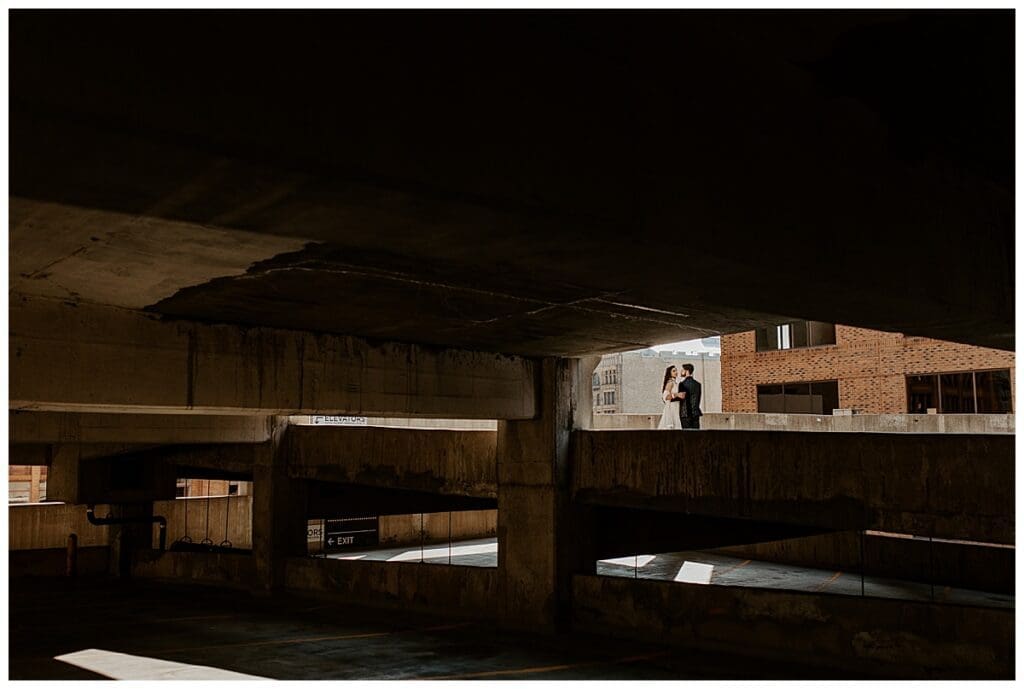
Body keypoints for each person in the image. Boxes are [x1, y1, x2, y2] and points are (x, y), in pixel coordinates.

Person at [677, 363, 703, 429]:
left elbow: (681, 399)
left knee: (687, 437)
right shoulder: (698, 384)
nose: (681, 372)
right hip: (695, 414)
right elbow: (698, 399)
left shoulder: (682, 384)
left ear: (687, 371)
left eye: (682, 370)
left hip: (685, 414)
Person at [657, 365, 683, 429]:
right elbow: (665, 397)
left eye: (676, 370)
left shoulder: (675, 383)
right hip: (671, 408)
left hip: (676, 407)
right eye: (674, 371)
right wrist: (677, 395)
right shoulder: (670, 382)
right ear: (670, 373)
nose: (676, 372)